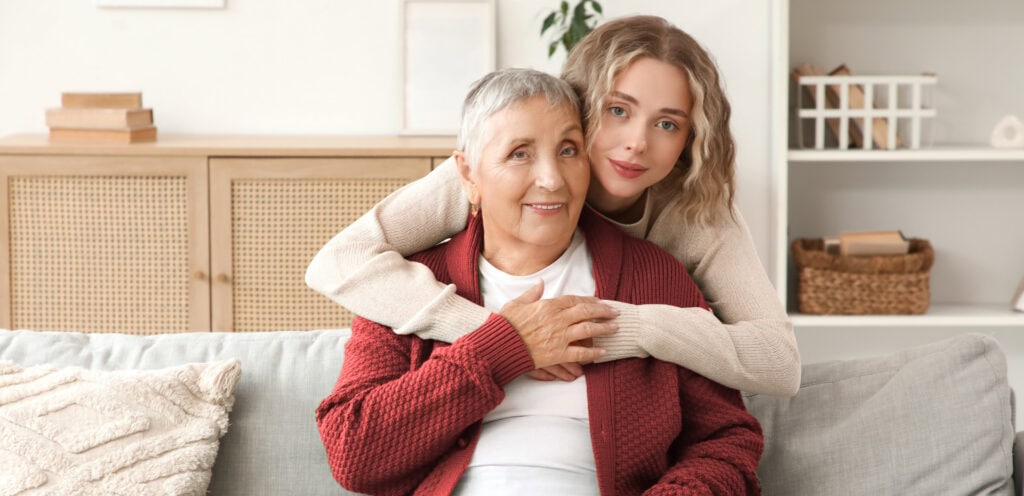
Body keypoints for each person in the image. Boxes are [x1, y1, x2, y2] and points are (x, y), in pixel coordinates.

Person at [316, 68, 763, 495]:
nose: (551, 180)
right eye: (520, 154)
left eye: (568, 150)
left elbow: (726, 440)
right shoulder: (408, 286)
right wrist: (500, 350)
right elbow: (353, 455)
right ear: (469, 174)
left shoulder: (654, 277)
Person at [306, 15, 799, 396]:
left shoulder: (699, 210)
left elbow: (780, 361)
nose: (636, 144)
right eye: (618, 111)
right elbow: (336, 261)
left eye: (667, 124)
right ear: (580, 105)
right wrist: (499, 334)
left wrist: (636, 327)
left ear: (692, 140)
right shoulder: (500, 174)